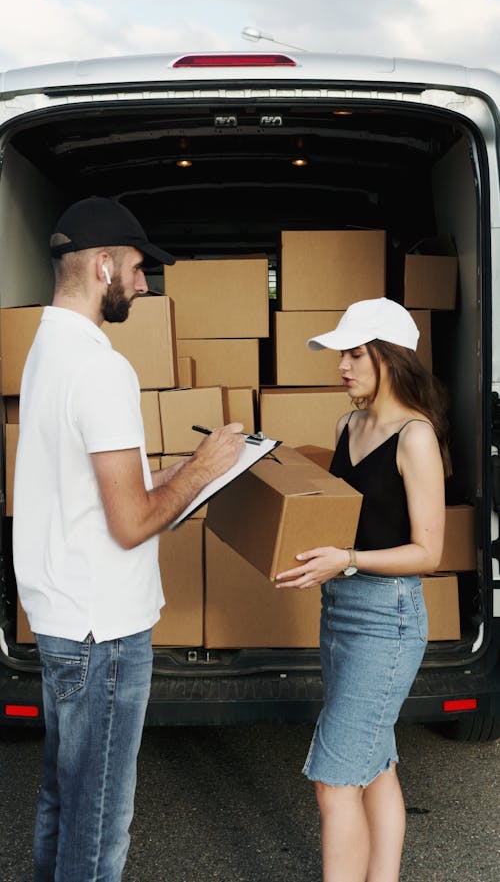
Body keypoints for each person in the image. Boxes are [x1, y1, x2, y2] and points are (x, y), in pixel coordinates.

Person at [12, 196, 245, 882]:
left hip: (59, 617)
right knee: (100, 824)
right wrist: (205, 467)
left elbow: (95, 485)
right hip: (103, 632)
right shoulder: (102, 367)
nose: (146, 284)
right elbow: (132, 520)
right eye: (140, 269)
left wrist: (175, 474)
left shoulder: (45, 348)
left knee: (63, 796)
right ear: (104, 265)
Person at [275, 297, 450, 882]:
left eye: (354, 353)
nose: (342, 366)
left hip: (389, 619)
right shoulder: (347, 425)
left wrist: (345, 559)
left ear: (390, 358)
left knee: (335, 779)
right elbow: (345, 521)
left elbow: (429, 552)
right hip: (341, 608)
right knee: (374, 763)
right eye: (341, 354)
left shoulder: (414, 436)